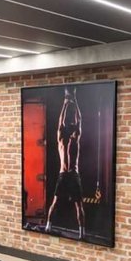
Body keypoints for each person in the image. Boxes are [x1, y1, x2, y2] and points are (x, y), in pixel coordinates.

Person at [45, 87, 85, 239]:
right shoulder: (61, 139)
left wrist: (74, 101)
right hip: (64, 174)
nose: (73, 126)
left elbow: (79, 120)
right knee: (55, 202)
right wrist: (65, 103)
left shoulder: (74, 138)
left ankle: (82, 233)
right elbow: (61, 122)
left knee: (79, 205)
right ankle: (48, 226)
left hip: (73, 174)